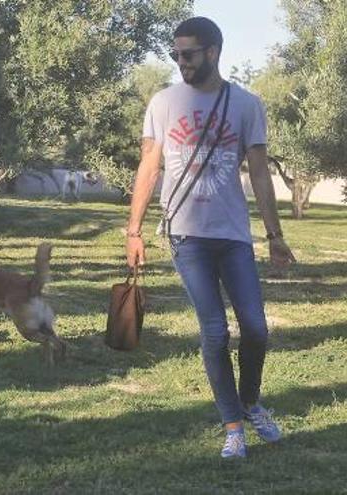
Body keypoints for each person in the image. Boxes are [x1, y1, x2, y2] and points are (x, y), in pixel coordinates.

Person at [125, 17, 296, 459]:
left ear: (213, 52)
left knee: (255, 328)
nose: (181, 62)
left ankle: (251, 400)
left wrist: (275, 235)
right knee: (215, 331)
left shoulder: (246, 104)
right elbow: (149, 168)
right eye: (175, 55)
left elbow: (258, 172)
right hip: (187, 236)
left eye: (188, 54)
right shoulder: (162, 103)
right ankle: (234, 426)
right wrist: (134, 230)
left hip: (234, 235)